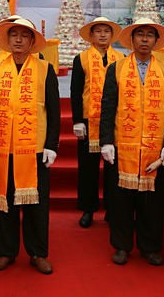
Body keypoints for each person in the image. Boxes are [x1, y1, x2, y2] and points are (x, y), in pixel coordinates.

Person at [0, 17, 60, 275]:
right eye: (13, 34)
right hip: (4, 147)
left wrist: (51, 144)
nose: (18, 39)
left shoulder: (45, 69)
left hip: (34, 146)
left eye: (24, 35)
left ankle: (37, 253)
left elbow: (54, 110)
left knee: (37, 204)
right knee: (4, 201)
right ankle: (5, 251)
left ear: (32, 41)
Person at [100, 17, 164, 266]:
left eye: (149, 35)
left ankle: (150, 246)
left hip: (153, 148)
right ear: (132, 40)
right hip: (123, 145)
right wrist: (106, 141)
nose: (144, 39)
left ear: (156, 41)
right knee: (121, 199)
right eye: (140, 34)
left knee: (151, 202)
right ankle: (122, 245)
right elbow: (108, 107)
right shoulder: (117, 69)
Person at [70, 17, 124, 228]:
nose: (102, 35)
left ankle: (113, 208)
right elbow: (75, 92)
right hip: (87, 120)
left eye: (106, 31)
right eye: (98, 31)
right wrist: (77, 121)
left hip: (115, 121)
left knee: (113, 168)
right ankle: (88, 209)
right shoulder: (81, 58)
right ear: (91, 36)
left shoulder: (120, 58)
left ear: (112, 35)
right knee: (88, 169)